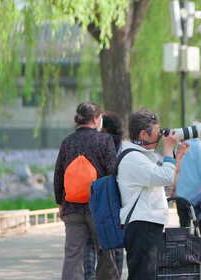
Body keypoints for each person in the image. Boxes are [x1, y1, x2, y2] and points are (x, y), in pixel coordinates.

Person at [117, 109, 189, 280]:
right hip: (142, 225)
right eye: (157, 133)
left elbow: (167, 177)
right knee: (143, 275)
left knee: (147, 274)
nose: (160, 137)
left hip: (147, 224)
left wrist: (176, 157)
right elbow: (165, 177)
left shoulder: (143, 156)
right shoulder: (133, 158)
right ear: (143, 134)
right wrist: (169, 147)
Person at [53, 102, 119, 280]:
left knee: (73, 255)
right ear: (96, 119)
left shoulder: (67, 142)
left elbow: (58, 174)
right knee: (106, 250)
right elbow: (113, 173)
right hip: (98, 209)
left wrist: (60, 203)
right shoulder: (104, 140)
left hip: (72, 208)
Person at [83, 111, 124, 280]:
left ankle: (91, 276)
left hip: (97, 197)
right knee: (117, 242)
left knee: (91, 242)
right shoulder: (123, 146)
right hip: (117, 200)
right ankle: (116, 275)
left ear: (104, 128)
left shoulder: (97, 143)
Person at [175, 137, 201, 236]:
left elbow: (176, 168)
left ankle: (184, 250)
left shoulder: (181, 147)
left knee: (184, 227)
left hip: (181, 193)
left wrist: (173, 187)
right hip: (199, 194)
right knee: (198, 228)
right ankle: (197, 249)